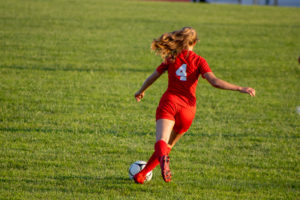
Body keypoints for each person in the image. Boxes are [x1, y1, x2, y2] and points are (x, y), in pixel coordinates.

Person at [133, 27, 255, 184]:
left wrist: (141, 91)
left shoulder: (171, 57)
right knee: (168, 144)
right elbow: (214, 81)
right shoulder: (199, 61)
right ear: (195, 42)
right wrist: (240, 88)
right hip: (188, 109)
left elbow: (153, 77)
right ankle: (142, 175)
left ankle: (162, 159)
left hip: (169, 102)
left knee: (161, 141)